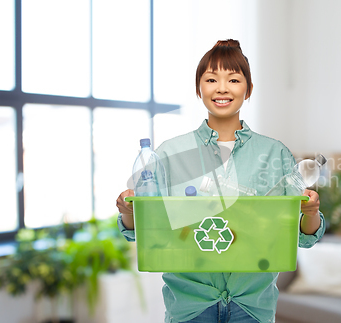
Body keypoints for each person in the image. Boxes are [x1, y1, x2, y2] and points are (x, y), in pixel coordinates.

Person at [116, 39, 325, 323]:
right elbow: (146, 230)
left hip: (252, 306)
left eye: (234, 79)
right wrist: (130, 212)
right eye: (211, 79)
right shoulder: (169, 153)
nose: (222, 88)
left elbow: (303, 235)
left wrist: (310, 213)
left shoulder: (273, 153)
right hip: (190, 307)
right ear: (199, 88)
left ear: (248, 89)